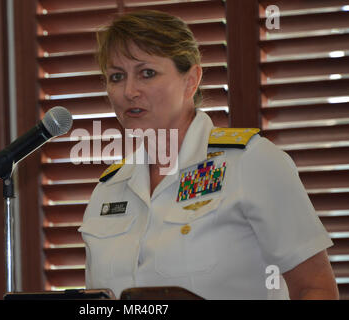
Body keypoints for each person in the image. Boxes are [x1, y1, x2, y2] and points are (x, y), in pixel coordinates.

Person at [78, 10, 339, 300]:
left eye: (147, 73)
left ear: (191, 80)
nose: (129, 91)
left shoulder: (251, 162)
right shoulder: (108, 189)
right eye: (116, 77)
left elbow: (315, 288)